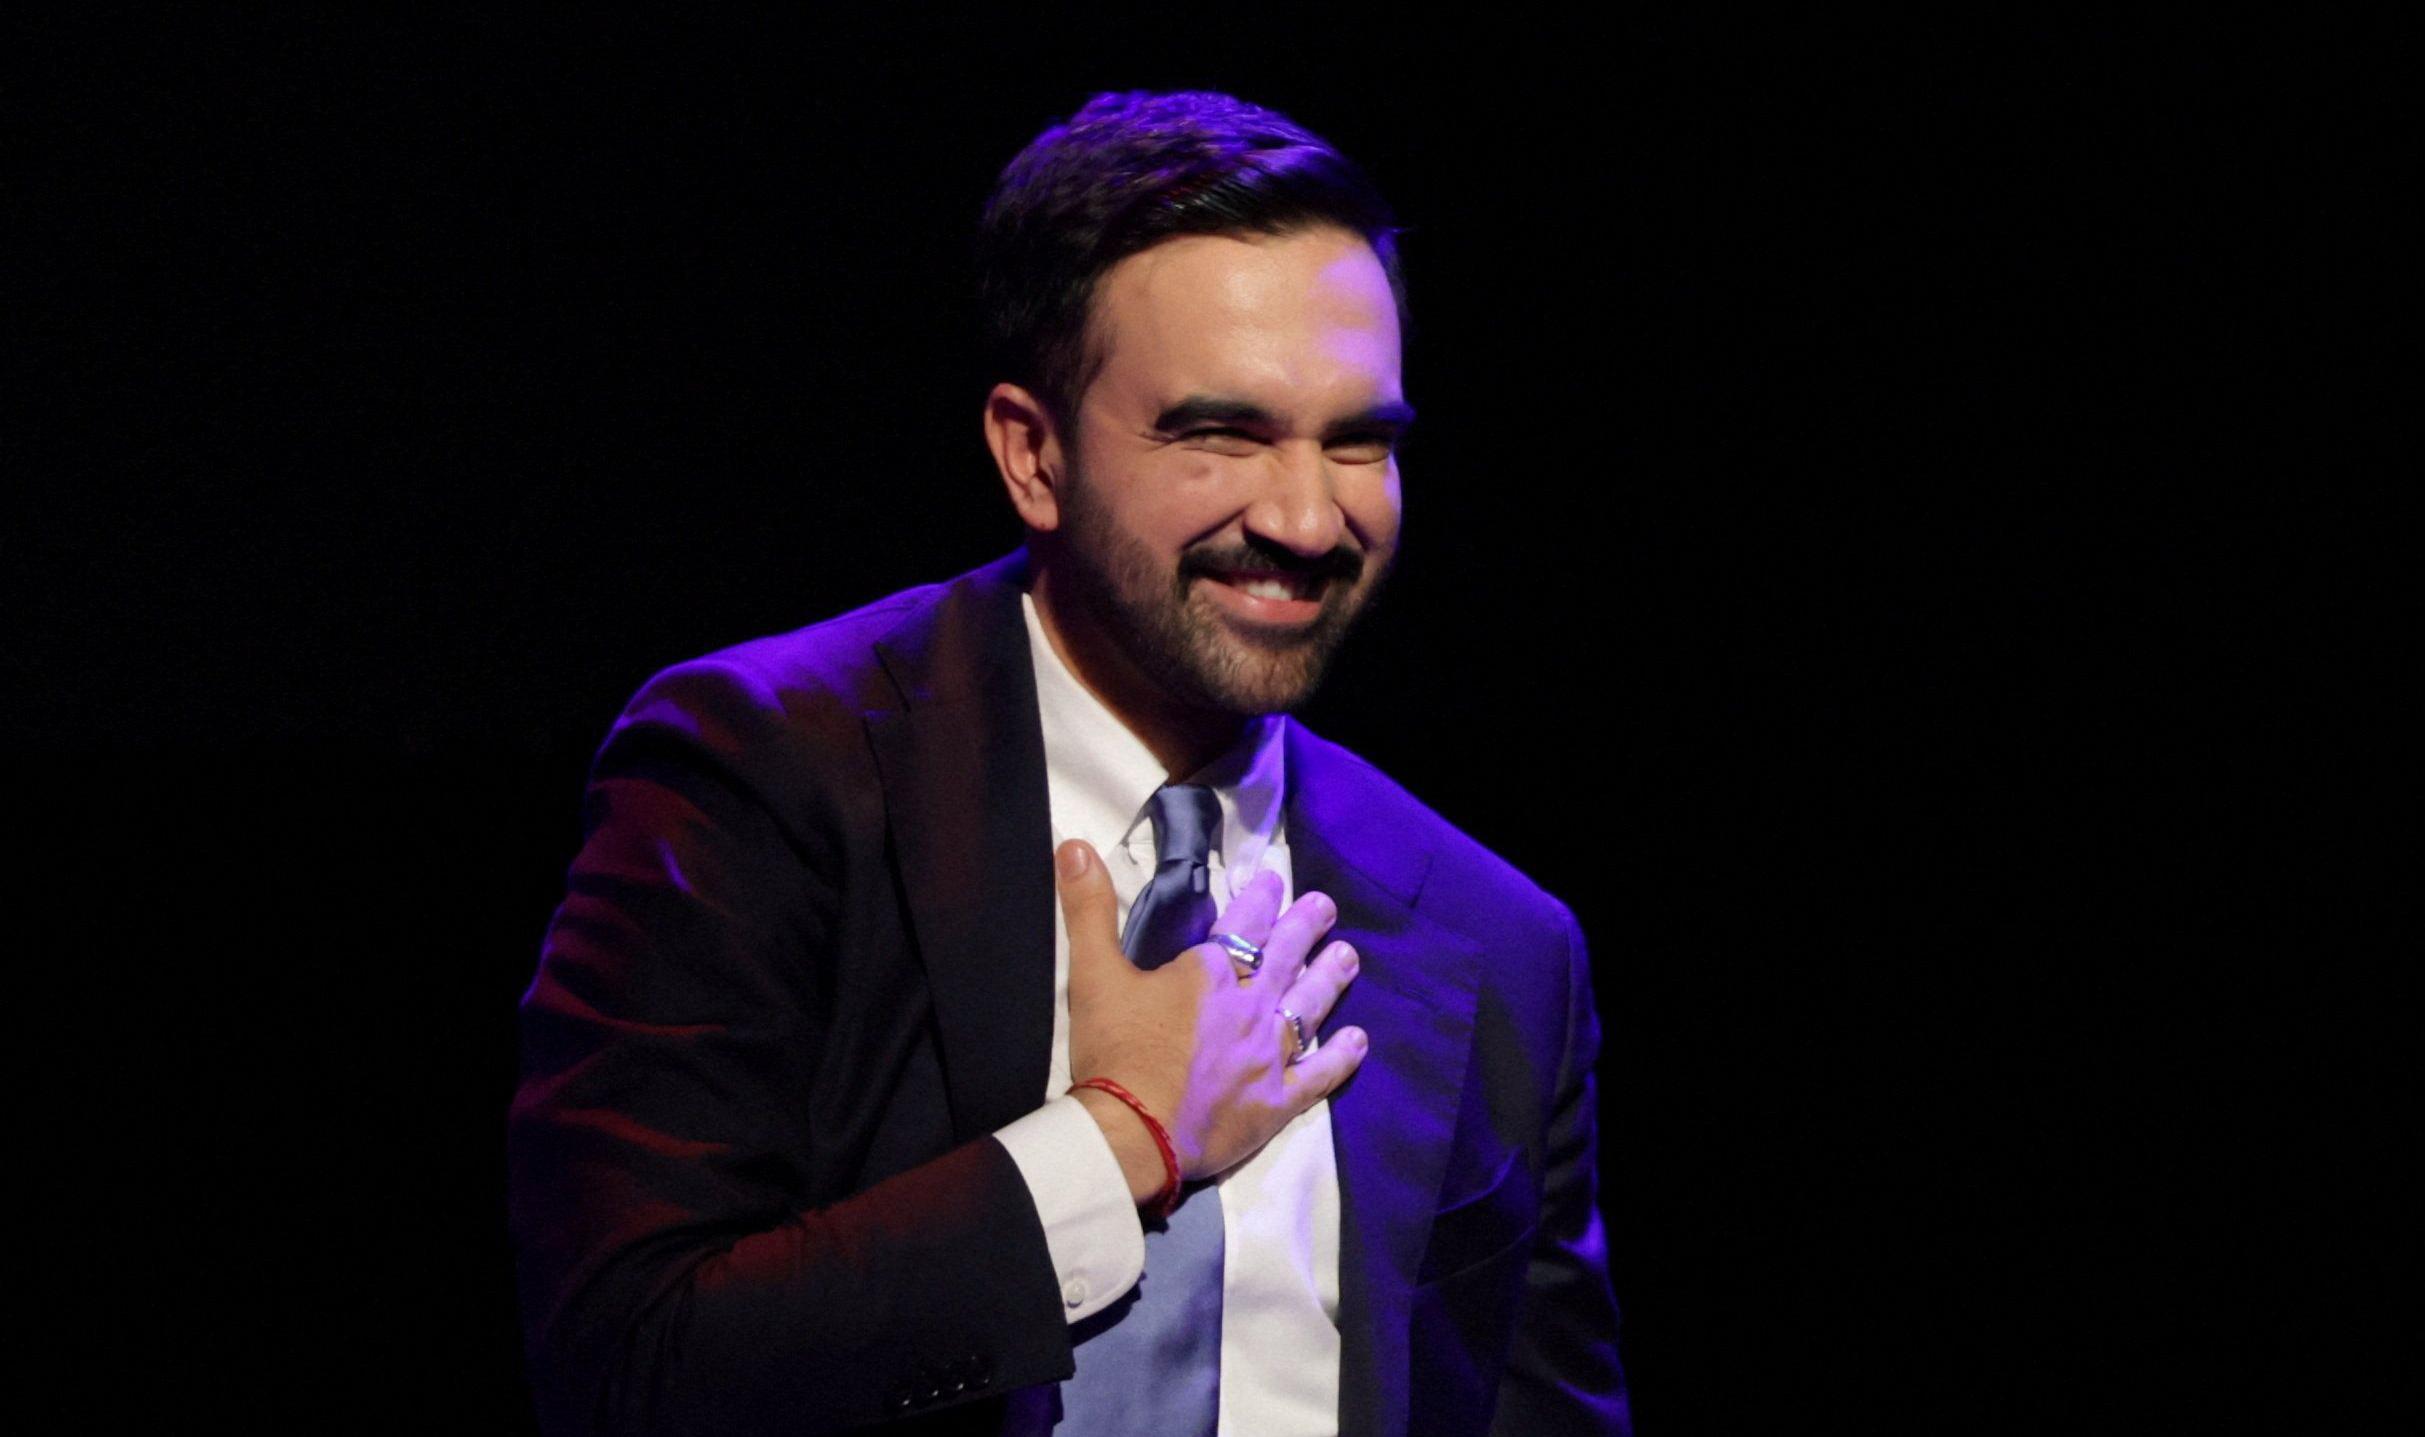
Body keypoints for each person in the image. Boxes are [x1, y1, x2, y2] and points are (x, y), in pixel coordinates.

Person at [509, 90, 1628, 1436]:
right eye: (1222, 432)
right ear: (1034, 456)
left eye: (1358, 441)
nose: (1304, 515)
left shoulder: (1499, 937)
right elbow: (628, 1362)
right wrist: (1119, 1139)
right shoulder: (769, 775)